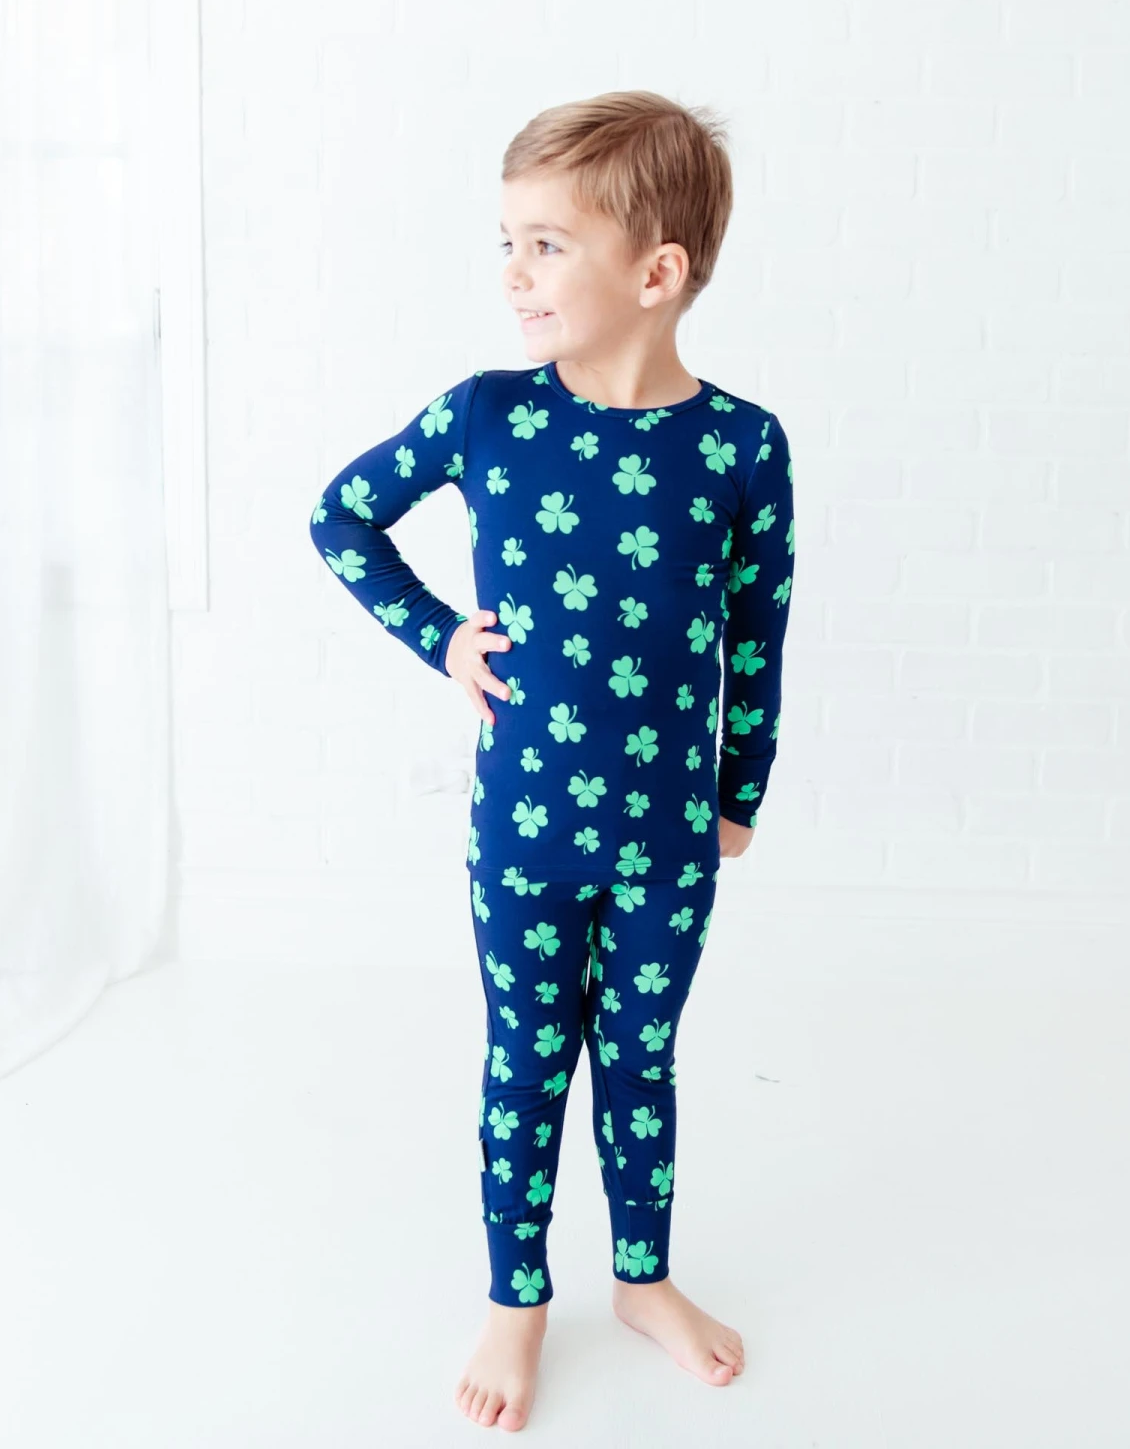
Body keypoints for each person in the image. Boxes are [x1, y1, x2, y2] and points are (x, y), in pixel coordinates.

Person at [308, 91, 794, 1433]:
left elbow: (759, 633)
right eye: (507, 244)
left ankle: (643, 1279)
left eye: (546, 245)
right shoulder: (490, 417)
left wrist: (738, 795)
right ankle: (516, 1298)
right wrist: (440, 638)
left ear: (656, 272)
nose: (514, 274)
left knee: (641, 1060)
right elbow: (342, 517)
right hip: (524, 832)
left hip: (667, 845)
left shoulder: (741, 447)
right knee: (526, 1062)